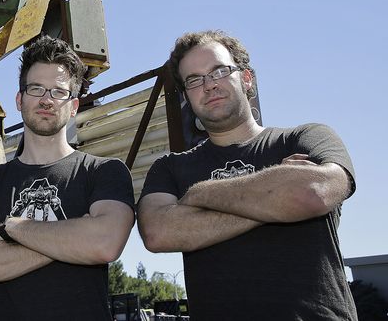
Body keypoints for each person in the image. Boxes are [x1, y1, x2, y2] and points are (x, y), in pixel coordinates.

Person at [137, 30, 357, 320]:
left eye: (219, 71)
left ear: (247, 78)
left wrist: (199, 196)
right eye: (194, 80)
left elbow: (311, 193)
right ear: (186, 96)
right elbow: (158, 232)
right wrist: (277, 199)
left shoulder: (307, 137)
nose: (209, 85)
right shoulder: (170, 168)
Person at [0, 35, 135, 320]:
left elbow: (105, 243)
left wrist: (10, 229)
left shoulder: (104, 171)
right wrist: (74, 240)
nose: (47, 100)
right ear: (19, 100)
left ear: (73, 107)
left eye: (58, 92)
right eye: (36, 89)